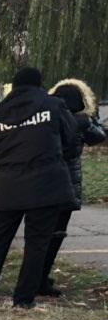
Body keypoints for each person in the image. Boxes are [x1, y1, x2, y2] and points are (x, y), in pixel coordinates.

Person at [0, 68, 79, 309]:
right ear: (39, 84)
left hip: (9, 186)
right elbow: (71, 140)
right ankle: (23, 299)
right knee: (37, 243)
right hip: (46, 185)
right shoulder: (53, 105)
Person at [39, 79, 106, 296]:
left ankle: (36, 276)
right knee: (57, 232)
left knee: (40, 232)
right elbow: (99, 137)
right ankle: (41, 277)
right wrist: (89, 118)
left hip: (42, 181)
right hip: (68, 182)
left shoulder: (47, 118)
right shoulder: (80, 122)